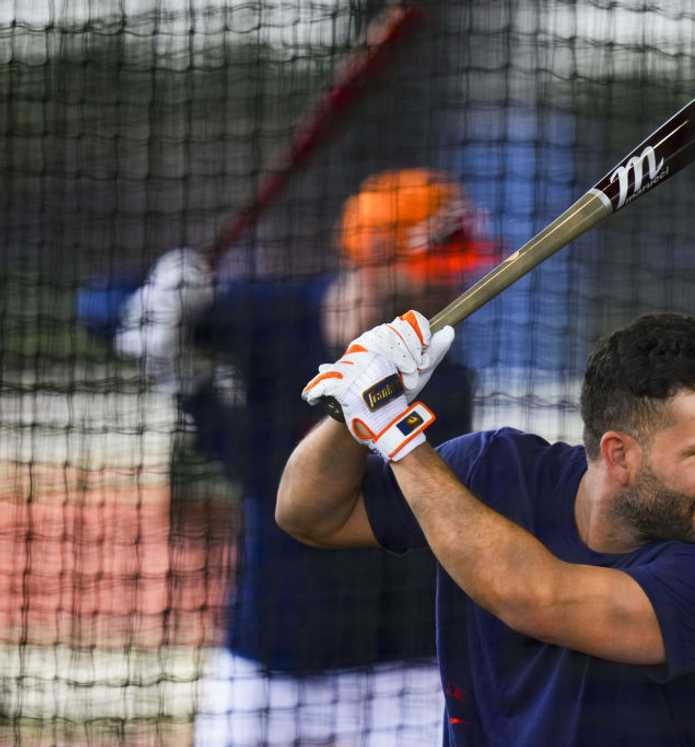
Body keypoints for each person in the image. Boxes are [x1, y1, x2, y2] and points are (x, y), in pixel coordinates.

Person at [77, 169, 495, 746]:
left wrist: (190, 388)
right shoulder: (274, 318)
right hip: (270, 653)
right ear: (377, 258)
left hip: (398, 668)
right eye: (433, 269)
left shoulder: (443, 379)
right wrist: (155, 303)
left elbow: (293, 492)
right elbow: (93, 303)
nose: (449, 285)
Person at [276, 309, 695, 746]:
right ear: (620, 455)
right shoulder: (490, 469)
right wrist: (357, 405)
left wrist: (394, 431)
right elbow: (309, 515)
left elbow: (536, 598)